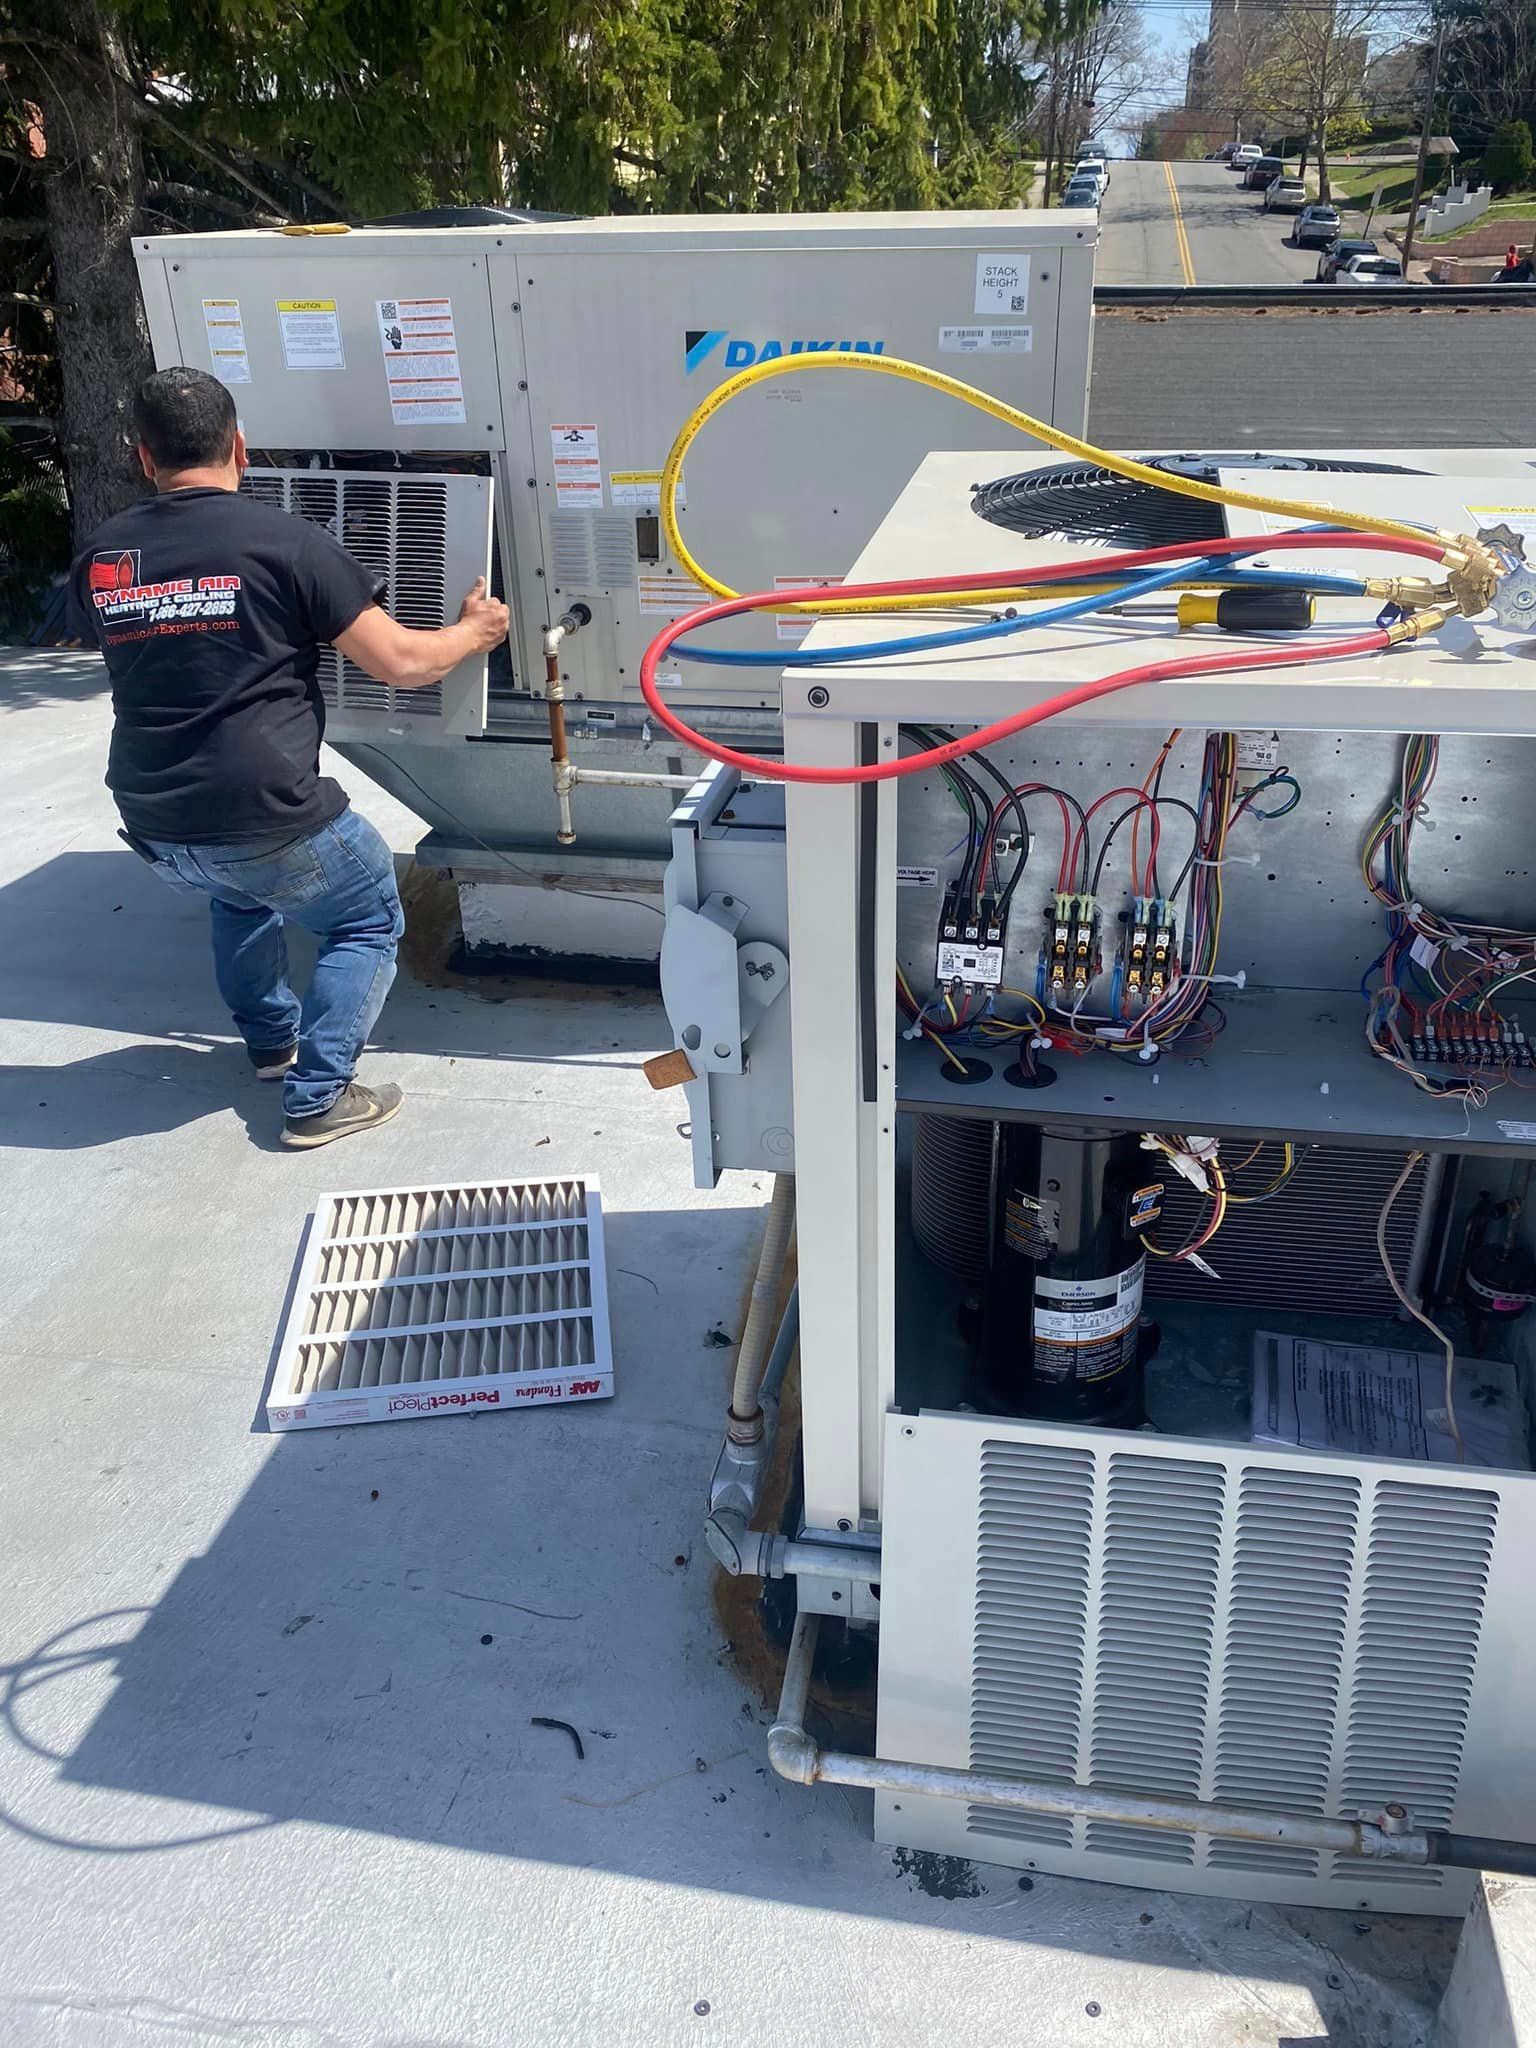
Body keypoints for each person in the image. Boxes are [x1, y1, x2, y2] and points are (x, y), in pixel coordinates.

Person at [70, 365, 509, 1148]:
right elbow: (403, 663)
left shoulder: (105, 553)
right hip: (263, 808)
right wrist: (474, 631)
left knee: (240, 895)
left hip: (155, 819)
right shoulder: (285, 543)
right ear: (241, 446)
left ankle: (273, 1047)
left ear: (145, 459)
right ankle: (318, 1095)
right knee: (368, 915)